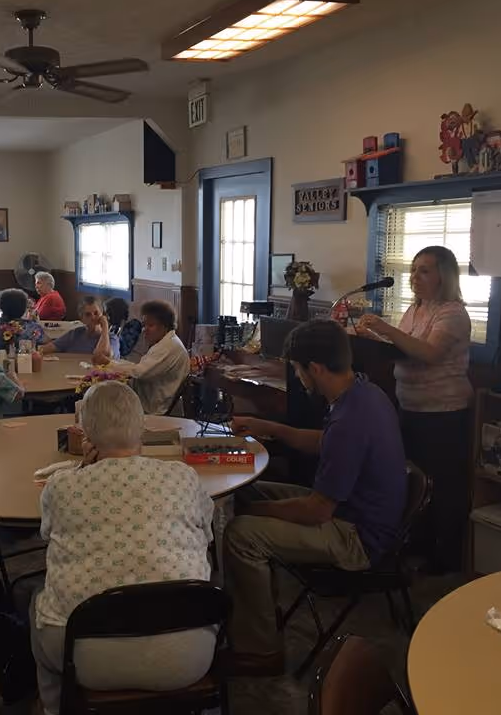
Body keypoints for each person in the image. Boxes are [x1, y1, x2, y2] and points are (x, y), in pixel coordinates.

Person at [223, 320, 408, 674]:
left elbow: (317, 510)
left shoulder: (350, 420)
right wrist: (269, 428)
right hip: (353, 514)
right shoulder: (364, 393)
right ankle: (259, 602)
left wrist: (258, 511)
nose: (297, 375)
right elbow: (324, 442)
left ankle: (261, 650)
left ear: (316, 369)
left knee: (241, 532)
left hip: (357, 537)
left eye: (297, 368)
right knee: (252, 488)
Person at [31, 381, 215, 714]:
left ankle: (53, 708)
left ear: (86, 432)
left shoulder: (63, 485)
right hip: (190, 653)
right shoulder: (183, 477)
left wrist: (84, 469)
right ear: (142, 426)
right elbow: (207, 533)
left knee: (36, 603)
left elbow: (48, 534)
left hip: (86, 659)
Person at [356, 245, 472, 573]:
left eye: (424, 270)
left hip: (443, 411)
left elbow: (429, 353)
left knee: (443, 485)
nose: (415, 277)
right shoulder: (415, 309)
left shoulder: (452, 312)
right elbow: (401, 349)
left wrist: (385, 329)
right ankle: (418, 542)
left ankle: (445, 557)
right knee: (416, 481)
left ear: (443, 276)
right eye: (414, 269)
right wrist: (367, 338)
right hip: (410, 404)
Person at [93, 300, 188, 415]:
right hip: (146, 399)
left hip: (151, 409)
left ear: (164, 326)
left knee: (98, 400)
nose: (144, 330)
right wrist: (111, 363)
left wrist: (109, 363)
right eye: (144, 325)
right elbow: (140, 367)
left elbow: (139, 372)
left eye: (151, 325)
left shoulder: (169, 346)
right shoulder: (166, 342)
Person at [40, 296, 119, 359]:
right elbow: (50, 347)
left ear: (102, 314)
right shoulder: (75, 334)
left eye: (96, 313)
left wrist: (105, 326)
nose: (93, 317)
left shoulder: (112, 338)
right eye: (88, 315)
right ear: (82, 319)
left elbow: (102, 356)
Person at [0, 288, 48, 353]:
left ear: (0, 306)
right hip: (26, 361)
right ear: (24, 308)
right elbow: (47, 343)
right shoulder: (32, 327)